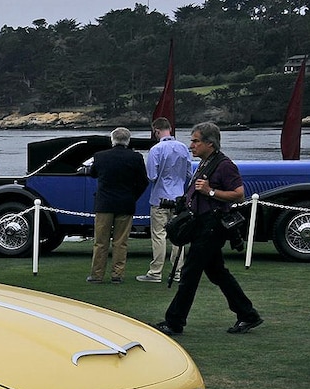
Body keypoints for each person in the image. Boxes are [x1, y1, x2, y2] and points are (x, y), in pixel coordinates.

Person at [153, 122, 263, 336]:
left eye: (195, 141)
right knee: (217, 273)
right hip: (203, 225)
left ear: (209, 144)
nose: (191, 145)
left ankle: (174, 321)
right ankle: (248, 314)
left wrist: (211, 192)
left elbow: (239, 194)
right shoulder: (205, 163)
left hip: (212, 226)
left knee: (190, 273)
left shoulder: (224, 165)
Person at [86, 127, 148, 284]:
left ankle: (96, 274)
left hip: (104, 203)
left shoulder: (100, 156)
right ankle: (117, 274)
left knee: (100, 241)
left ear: (112, 140)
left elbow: (93, 173)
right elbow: (143, 181)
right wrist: (133, 196)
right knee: (121, 242)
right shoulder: (136, 157)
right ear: (128, 140)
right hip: (126, 203)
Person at [137, 117, 191, 283]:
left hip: (160, 197)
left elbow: (151, 176)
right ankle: (177, 271)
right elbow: (189, 173)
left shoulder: (156, 149)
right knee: (178, 236)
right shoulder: (183, 148)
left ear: (156, 131)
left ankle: (156, 272)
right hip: (179, 197)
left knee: (159, 235)